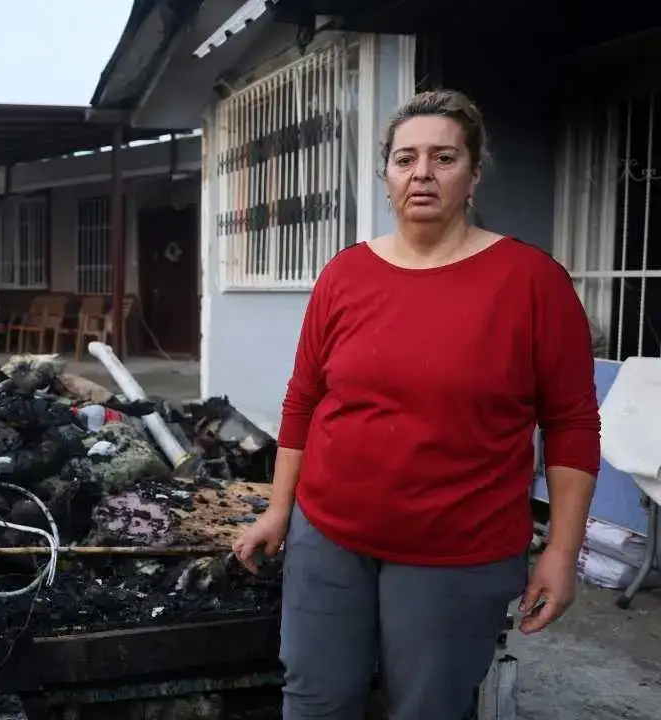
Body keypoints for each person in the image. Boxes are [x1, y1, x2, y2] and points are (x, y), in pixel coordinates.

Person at [232, 89, 601, 720]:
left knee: (425, 709)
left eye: (444, 157)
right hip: (329, 536)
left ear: (474, 174)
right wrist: (279, 509)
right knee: (314, 700)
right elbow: (304, 401)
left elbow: (571, 424)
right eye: (405, 159)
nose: (422, 173)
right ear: (387, 177)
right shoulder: (345, 274)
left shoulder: (532, 281)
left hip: (458, 550)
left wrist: (562, 552)